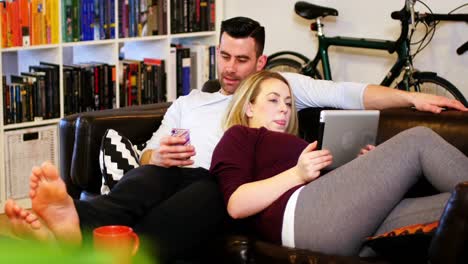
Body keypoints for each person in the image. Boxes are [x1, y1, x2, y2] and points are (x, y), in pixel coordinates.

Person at [4, 16, 467, 262]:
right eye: (223, 56)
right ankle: (75, 222)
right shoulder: (189, 102)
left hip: (220, 184)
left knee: (205, 189)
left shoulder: (275, 90)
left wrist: (416, 99)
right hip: (181, 173)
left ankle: (109, 248)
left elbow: (347, 91)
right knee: (145, 178)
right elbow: (153, 149)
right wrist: (155, 152)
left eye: (241, 60)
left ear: (260, 62)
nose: (228, 68)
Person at [209, 70, 468, 256]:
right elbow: (236, 204)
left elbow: (330, 187)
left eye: (289, 103)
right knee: (417, 140)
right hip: (301, 219)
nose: (284, 109)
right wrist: (297, 174)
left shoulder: (297, 142)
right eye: (273, 100)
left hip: (337, 218)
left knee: (453, 207)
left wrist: (366, 167)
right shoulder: (240, 135)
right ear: (249, 107)